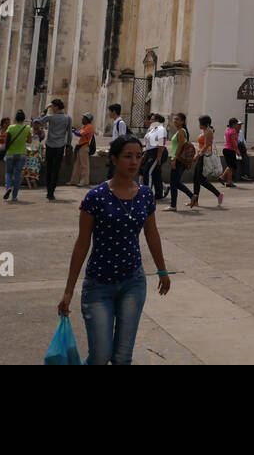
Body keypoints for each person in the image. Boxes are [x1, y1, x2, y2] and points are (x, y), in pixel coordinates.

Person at [59, 134, 170, 365]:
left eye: (138, 157)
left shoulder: (145, 195)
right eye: (127, 156)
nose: (133, 162)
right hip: (99, 285)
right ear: (113, 159)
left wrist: (162, 270)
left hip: (133, 282)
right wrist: (69, 290)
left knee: (122, 357)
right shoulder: (95, 197)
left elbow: (152, 234)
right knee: (100, 356)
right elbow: (82, 244)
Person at [40, 99, 73, 201]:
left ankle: (49, 191)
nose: (52, 108)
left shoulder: (50, 117)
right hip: (60, 146)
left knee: (49, 169)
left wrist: (45, 109)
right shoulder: (68, 118)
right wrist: (68, 145)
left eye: (53, 106)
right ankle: (52, 191)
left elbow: (40, 121)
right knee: (56, 169)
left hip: (50, 145)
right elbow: (69, 134)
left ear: (56, 107)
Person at [191, 115, 223, 209]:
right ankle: (195, 200)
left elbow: (206, 146)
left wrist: (198, 155)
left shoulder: (208, 132)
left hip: (204, 157)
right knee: (196, 178)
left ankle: (218, 194)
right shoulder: (205, 131)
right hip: (201, 155)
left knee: (199, 179)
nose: (199, 125)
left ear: (204, 123)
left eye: (200, 123)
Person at [2, 110, 32, 202]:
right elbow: (29, 141)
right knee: (18, 175)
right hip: (21, 154)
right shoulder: (27, 128)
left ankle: (8, 187)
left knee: (8, 172)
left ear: (15, 118)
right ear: (24, 119)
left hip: (10, 153)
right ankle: (14, 196)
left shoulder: (10, 128)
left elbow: (6, 141)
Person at [167, 113, 193, 211]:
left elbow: (180, 146)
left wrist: (174, 159)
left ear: (182, 121)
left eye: (177, 119)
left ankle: (173, 206)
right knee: (175, 183)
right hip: (178, 159)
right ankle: (192, 196)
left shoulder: (181, 131)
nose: (175, 121)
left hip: (178, 160)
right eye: (174, 119)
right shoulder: (180, 131)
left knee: (174, 183)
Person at [140, 114, 167, 199]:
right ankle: (159, 194)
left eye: (152, 119)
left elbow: (161, 143)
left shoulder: (161, 129)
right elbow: (148, 143)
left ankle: (147, 194)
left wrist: (159, 157)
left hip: (158, 152)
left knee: (148, 171)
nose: (150, 121)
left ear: (157, 121)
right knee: (156, 173)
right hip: (150, 152)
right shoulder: (151, 130)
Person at [70, 114, 95, 187]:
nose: (82, 120)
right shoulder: (85, 126)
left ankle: (84, 181)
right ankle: (74, 181)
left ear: (87, 119)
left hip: (84, 147)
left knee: (84, 165)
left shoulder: (89, 127)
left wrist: (74, 131)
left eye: (83, 118)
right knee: (77, 165)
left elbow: (79, 134)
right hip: (81, 147)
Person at [106, 103, 127, 179]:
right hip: (114, 149)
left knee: (113, 171)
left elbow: (122, 137)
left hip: (117, 151)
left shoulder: (121, 123)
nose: (109, 113)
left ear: (114, 112)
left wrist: (114, 143)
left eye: (110, 111)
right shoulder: (116, 123)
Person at [221, 117, 242, 188]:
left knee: (230, 166)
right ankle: (228, 181)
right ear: (233, 124)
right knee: (231, 166)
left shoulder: (227, 130)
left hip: (226, 149)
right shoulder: (233, 131)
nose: (237, 125)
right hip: (230, 150)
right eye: (236, 124)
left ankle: (224, 179)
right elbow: (233, 142)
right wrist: (237, 151)